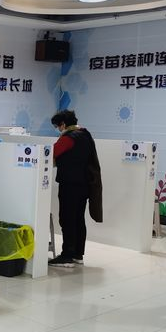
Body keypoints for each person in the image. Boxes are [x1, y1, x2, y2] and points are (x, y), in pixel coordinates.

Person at [48, 110, 102, 268]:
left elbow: (50, 153)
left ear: (63, 124)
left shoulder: (68, 138)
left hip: (70, 185)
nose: (58, 129)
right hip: (84, 185)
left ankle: (67, 256)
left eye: (58, 126)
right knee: (78, 219)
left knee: (67, 219)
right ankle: (78, 254)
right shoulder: (86, 135)